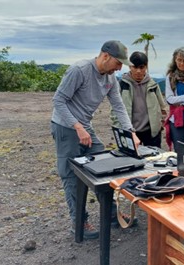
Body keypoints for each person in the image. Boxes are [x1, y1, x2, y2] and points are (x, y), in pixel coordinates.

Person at [50, 40, 140, 239]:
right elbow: (58, 100)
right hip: (66, 127)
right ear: (105, 56)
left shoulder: (110, 79)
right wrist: (78, 127)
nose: (119, 68)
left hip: (84, 126)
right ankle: (79, 222)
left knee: (105, 167)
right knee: (71, 175)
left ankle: (111, 215)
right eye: (118, 63)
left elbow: (118, 105)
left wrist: (131, 132)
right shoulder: (79, 70)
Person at [112, 51, 167, 148]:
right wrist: (120, 128)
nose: (138, 71)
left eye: (141, 67)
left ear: (146, 67)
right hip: (130, 131)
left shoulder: (153, 84)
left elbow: (162, 107)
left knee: (154, 160)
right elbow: (114, 109)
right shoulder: (122, 85)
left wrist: (159, 126)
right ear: (130, 66)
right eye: (135, 67)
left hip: (151, 132)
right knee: (131, 161)